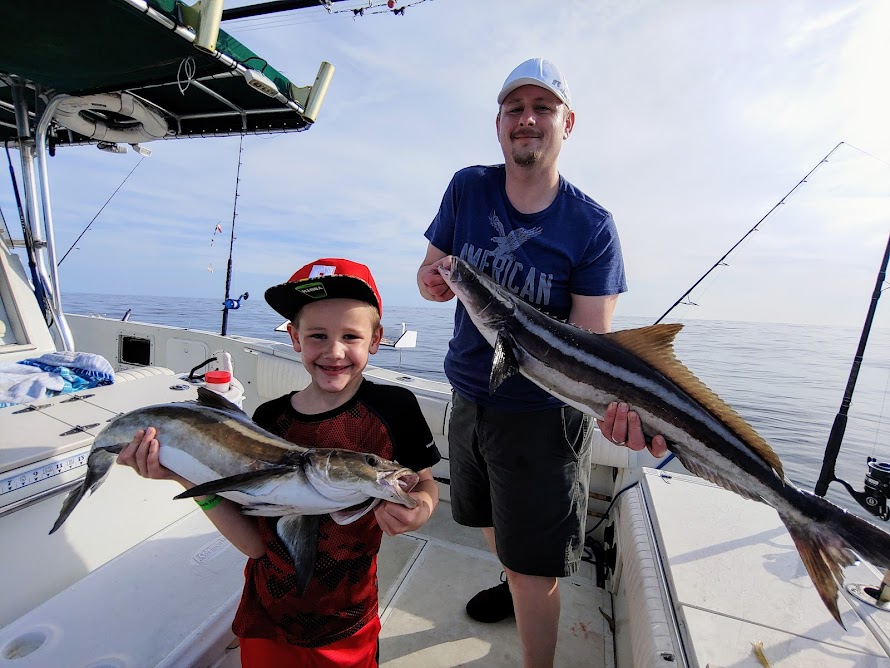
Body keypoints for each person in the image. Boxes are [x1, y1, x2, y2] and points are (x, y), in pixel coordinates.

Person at [416, 58, 667, 667]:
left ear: (567, 122)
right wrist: (433, 281)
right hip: (470, 397)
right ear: (499, 123)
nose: (526, 119)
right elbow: (431, 269)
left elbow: (590, 348)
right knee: (485, 518)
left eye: (542, 108)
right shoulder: (465, 188)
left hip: (544, 419)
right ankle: (511, 579)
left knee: (537, 570)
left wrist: (620, 411)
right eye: (514, 109)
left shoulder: (591, 227)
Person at [119, 257, 441, 668]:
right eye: (318, 335)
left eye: (351, 336)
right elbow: (255, 544)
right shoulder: (269, 421)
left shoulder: (395, 408)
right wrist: (184, 479)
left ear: (376, 339)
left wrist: (422, 509)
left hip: (348, 622)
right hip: (264, 619)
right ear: (294, 337)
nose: (334, 351)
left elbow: (423, 482)